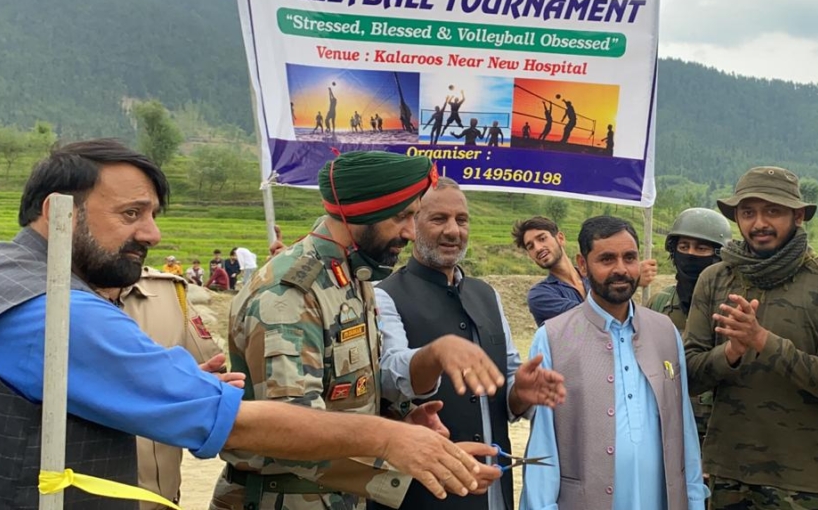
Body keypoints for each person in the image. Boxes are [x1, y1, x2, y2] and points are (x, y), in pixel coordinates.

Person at [0, 140, 488, 510]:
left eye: (153, 213)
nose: (153, 233)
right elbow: (243, 424)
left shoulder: (17, 280)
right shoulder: (52, 310)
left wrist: (404, 432)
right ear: (59, 211)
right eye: (131, 213)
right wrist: (394, 445)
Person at [215, 150, 495, 510]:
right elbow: (287, 429)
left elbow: (343, 400)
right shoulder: (291, 293)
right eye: (401, 217)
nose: (411, 232)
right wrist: (397, 446)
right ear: (361, 214)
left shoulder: (355, 276)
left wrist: (405, 426)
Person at [378, 178, 567, 510]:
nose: (453, 231)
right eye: (439, 219)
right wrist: (434, 355)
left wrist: (520, 392)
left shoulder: (487, 295)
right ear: (412, 224)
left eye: (461, 220)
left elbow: (507, 379)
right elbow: (391, 375)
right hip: (422, 495)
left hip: (494, 492)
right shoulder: (384, 295)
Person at [684, 166, 818, 510]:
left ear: (797, 216)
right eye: (748, 212)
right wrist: (731, 352)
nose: (759, 223)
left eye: (772, 211)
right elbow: (688, 375)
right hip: (727, 475)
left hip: (804, 481)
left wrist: (764, 341)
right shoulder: (715, 278)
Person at [521, 216, 707, 510]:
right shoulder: (554, 338)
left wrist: (695, 501)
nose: (621, 269)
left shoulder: (664, 331)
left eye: (629, 258)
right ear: (583, 265)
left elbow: (683, 431)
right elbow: (543, 445)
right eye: (606, 258)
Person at [106, 265, 227, 509]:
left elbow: (210, 368)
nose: (152, 234)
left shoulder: (169, 289)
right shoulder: (165, 290)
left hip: (166, 495)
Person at [646, 208, 729, 443]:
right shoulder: (660, 305)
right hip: (668, 431)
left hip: (718, 437)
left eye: (701, 248)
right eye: (684, 247)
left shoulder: (730, 308)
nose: (691, 255)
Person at [511, 216, 657, 326]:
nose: (538, 248)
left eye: (542, 238)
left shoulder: (594, 275)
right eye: (530, 246)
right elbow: (588, 315)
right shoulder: (540, 296)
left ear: (560, 238)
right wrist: (631, 279)